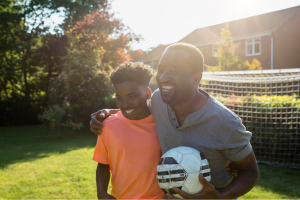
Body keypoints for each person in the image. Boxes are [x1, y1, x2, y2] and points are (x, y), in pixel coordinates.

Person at [91, 43, 259, 199]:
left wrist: (219, 197)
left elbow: (251, 172)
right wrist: (108, 113)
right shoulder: (158, 101)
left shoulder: (225, 122)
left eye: (173, 71)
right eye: (161, 69)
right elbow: (136, 109)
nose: (163, 78)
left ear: (196, 78)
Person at [93, 62, 164, 199]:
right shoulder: (108, 125)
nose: (125, 104)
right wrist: (101, 192)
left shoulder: (161, 123)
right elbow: (103, 163)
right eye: (119, 98)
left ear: (148, 93)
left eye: (132, 97)